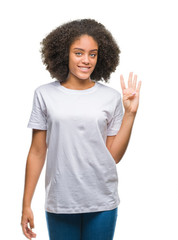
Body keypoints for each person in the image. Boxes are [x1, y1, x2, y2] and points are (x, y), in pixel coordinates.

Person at [21, 19, 141, 240]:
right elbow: (37, 152)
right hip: (61, 201)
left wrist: (130, 114)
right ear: (64, 54)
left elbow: (113, 156)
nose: (86, 60)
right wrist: (26, 203)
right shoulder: (44, 95)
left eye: (92, 54)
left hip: (102, 200)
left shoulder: (111, 97)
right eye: (79, 53)